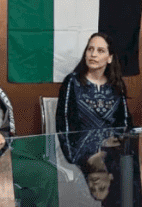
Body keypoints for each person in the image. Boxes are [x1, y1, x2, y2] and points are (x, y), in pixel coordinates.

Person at [56, 32, 133, 164]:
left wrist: (119, 148)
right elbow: (64, 126)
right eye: (90, 49)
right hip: (80, 155)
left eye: (100, 50)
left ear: (109, 58)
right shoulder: (72, 82)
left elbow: (125, 124)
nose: (93, 54)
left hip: (111, 154)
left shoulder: (116, 85)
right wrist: (74, 160)